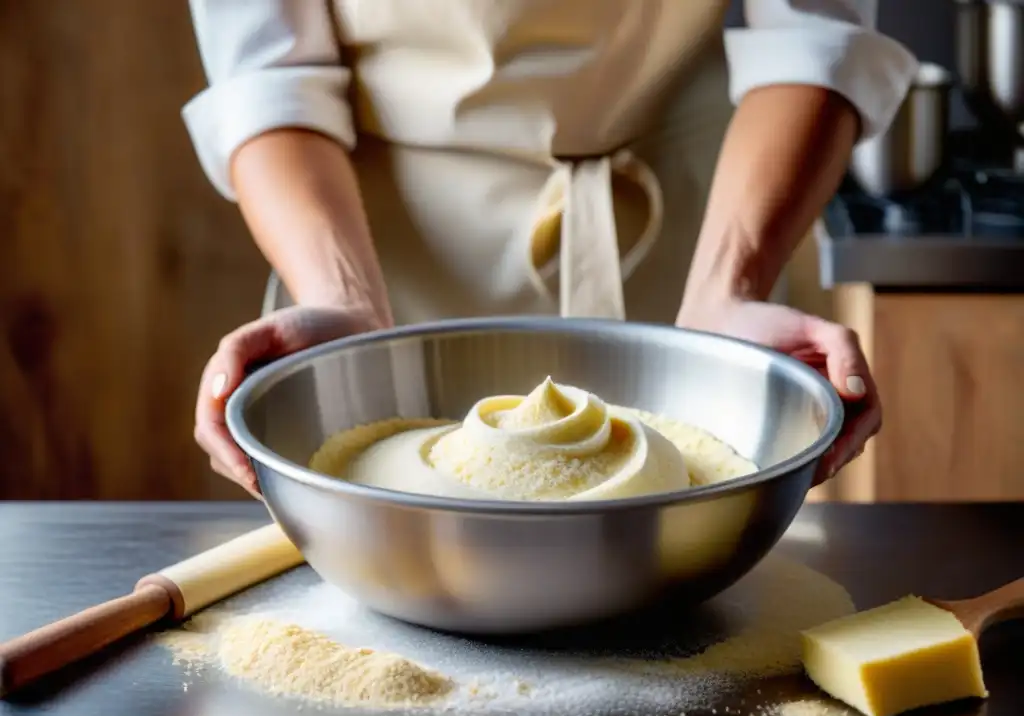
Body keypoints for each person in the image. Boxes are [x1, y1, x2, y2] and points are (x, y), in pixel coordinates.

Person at [183, 0, 917, 496]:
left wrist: (729, 289)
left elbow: (811, 35)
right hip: (378, 252)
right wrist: (341, 301)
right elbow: (269, 77)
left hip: (708, 235)